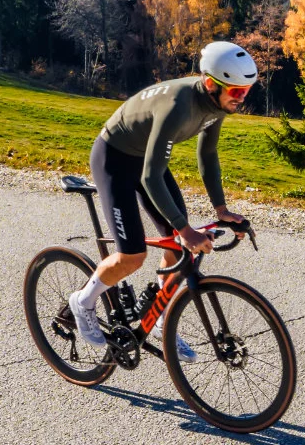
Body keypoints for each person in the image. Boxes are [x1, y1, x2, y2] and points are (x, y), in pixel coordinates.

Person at [69, 41, 255, 362]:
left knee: (176, 249)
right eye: (236, 91)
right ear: (212, 84)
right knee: (134, 256)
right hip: (114, 158)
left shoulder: (216, 105)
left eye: (246, 91)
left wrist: (221, 210)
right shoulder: (178, 106)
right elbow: (150, 178)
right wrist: (185, 229)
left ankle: (157, 320)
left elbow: (207, 155)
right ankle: (83, 301)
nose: (241, 98)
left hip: (145, 160)